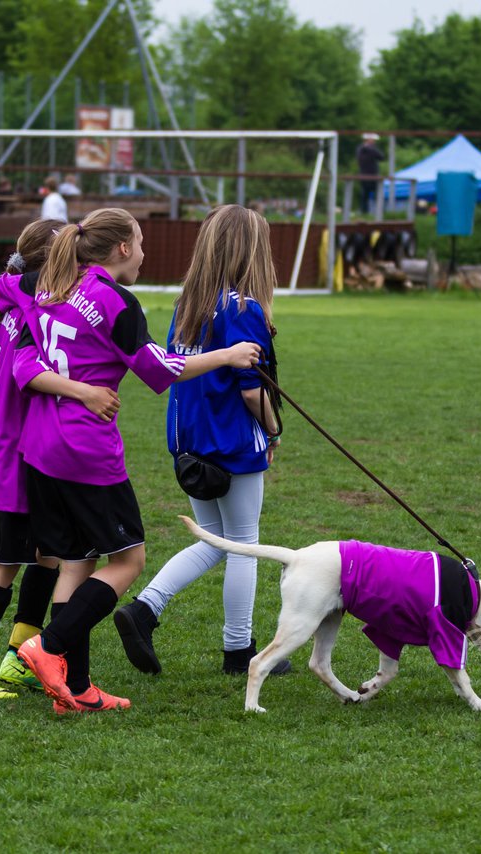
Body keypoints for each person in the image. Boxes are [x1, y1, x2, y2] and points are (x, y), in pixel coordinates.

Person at [0, 208, 262, 714]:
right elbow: (159, 369)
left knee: (77, 561)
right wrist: (228, 355)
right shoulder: (115, 299)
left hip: (38, 447)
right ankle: (47, 647)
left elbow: (16, 333)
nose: (144, 253)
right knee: (129, 560)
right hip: (85, 451)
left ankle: (74, 688)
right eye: (140, 243)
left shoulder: (52, 286)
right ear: (122, 249)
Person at [0, 219, 122, 700]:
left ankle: (20, 656)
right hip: (12, 456)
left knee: (47, 555)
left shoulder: (12, 313)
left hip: (2, 448)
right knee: (6, 562)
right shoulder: (30, 316)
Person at [113, 205, 292, 677]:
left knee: (216, 541)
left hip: (190, 444)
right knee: (244, 544)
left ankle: (145, 609)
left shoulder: (186, 306)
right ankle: (240, 652)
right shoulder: (243, 308)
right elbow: (252, 390)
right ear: (252, 252)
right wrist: (274, 430)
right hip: (232, 445)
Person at [357, 132, 382, 218]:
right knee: (364, 195)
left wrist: (371, 149)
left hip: (374, 176)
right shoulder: (361, 149)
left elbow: (381, 157)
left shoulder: (373, 149)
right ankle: (364, 212)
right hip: (364, 176)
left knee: (377, 195)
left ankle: (377, 212)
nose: (374, 141)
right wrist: (368, 148)